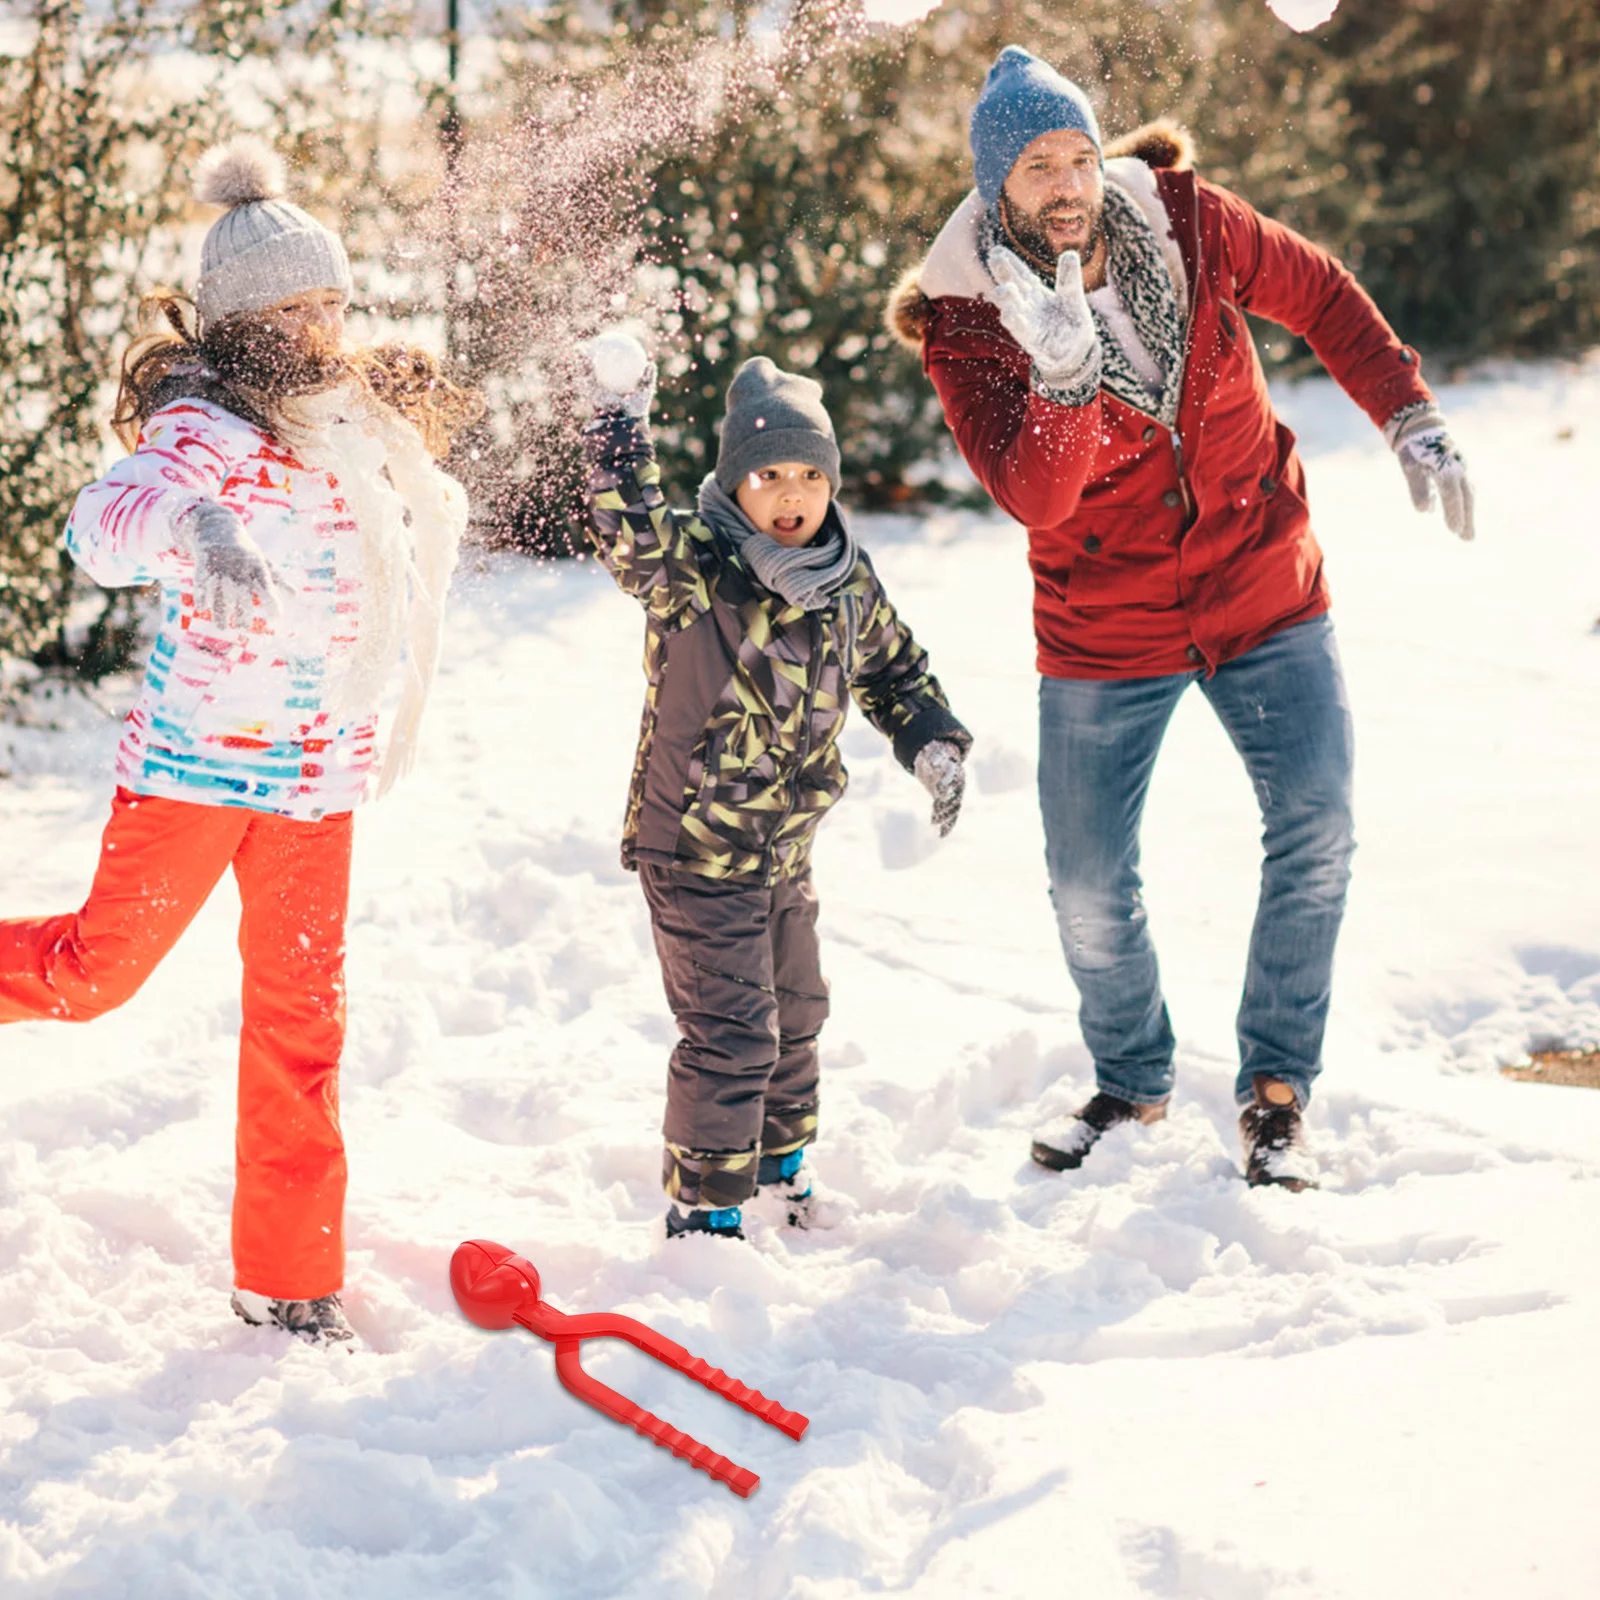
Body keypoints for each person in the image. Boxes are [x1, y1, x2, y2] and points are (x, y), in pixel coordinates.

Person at [888, 46, 1476, 1189]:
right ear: (991, 188)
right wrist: (1060, 389)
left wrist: (1408, 412)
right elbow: (1032, 496)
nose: (1065, 184)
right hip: (1104, 626)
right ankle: (1131, 1079)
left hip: (1262, 584)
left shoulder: (1187, 225)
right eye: (1034, 168)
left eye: (1075, 154)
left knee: (1317, 829)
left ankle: (1274, 1092)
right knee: (1089, 882)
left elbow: (1322, 294)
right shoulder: (967, 316)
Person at [0, 139, 477, 1342]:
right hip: (197, 771)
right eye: (297, 306)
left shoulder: (347, 423)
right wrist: (196, 516)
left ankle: (289, 1271)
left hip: (317, 780)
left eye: (334, 301)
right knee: (94, 976)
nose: (324, 326)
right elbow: (99, 528)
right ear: (243, 321)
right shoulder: (200, 428)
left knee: (301, 1023)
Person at [580, 333, 971, 1239]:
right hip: (696, 850)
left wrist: (931, 746)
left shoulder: (844, 581)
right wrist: (617, 423)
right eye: (768, 477)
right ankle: (705, 1218)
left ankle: (776, 1173)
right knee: (733, 1036)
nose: (790, 495)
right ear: (735, 485)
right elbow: (626, 527)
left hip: (784, 850)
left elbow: (896, 673)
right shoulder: (695, 569)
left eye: (807, 473)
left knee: (797, 1017)